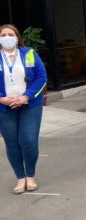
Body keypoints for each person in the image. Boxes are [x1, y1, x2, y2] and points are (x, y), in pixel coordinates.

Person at [0, 24, 47, 194]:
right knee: (12, 143)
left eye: (10, 34)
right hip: (4, 107)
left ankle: (30, 175)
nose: (6, 37)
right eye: (3, 34)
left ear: (17, 37)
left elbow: (41, 77)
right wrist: (2, 99)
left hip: (29, 105)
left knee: (28, 140)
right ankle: (20, 178)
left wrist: (25, 96)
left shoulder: (28, 53)